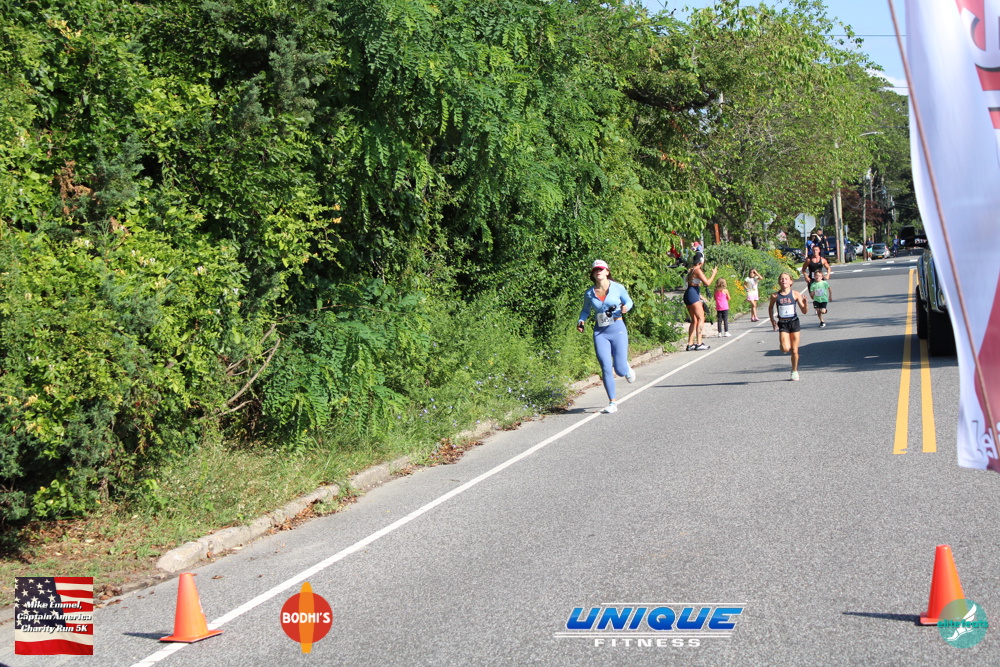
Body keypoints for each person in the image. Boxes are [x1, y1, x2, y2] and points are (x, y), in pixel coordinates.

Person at [577, 259, 635, 414]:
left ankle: (625, 368)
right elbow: (585, 310)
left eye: (601, 269)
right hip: (600, 332)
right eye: (596, 270)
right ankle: (612, 402)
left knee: (620, 370)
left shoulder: (617, 288)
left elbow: (629, 301)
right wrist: (581, 321)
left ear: (607, 272)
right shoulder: (589, 293)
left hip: (617, 329)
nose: (598, 272)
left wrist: (626, 307)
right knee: (605, 366)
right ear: (593, 274)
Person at [768, 272, 809, 381]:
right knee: (786, 349)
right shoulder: (775, 296)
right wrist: (772, 320)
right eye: (782, 279)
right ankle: (783, 345)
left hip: (794, 323)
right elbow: (770, 307)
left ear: (791, 282)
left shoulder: (795, 294)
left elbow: (804, 311)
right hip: (783, 323)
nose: (784, 280)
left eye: (786, 279)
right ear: (779, 282)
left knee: (794, 351)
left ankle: (794, 371)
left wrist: (806, 303)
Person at [684, 252, 717, 351]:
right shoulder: (697, 270)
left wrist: (699, 295)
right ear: (701, 261)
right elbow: (707, 283)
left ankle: (690, 343)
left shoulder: (691, 269)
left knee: (694, 320)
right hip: (693, 294)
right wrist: (714, 273)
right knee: (701, 318)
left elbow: (692, 283)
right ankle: (699, 343)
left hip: (689, 293)